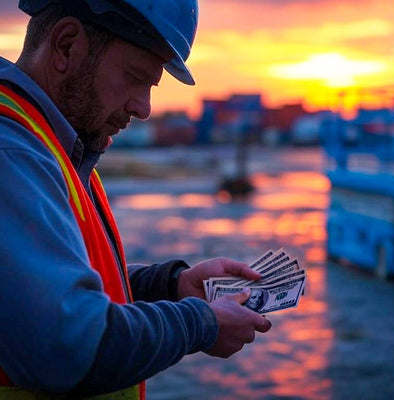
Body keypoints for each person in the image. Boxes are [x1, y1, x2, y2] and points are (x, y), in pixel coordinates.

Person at [0, 0, 272, 398]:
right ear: (66, 46)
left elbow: (48, 290)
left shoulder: (52, 150)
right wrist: (200, 323)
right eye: (134, 77)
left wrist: (169, 285)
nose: (143, 108)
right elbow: (66, 344)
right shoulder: (13, 154)